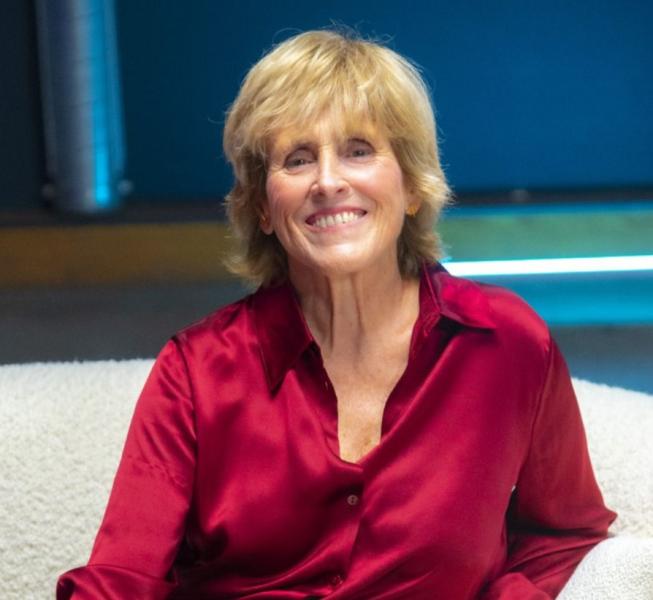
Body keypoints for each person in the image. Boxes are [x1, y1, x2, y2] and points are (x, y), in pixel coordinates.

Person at [57, 29, 615, 599]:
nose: (328, 181)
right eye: (298, 160)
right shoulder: (195, 372)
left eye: (358, 151)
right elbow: (123, 577)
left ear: (412, 185)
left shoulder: (506, 342)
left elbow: (563, 534)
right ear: (263, 208)